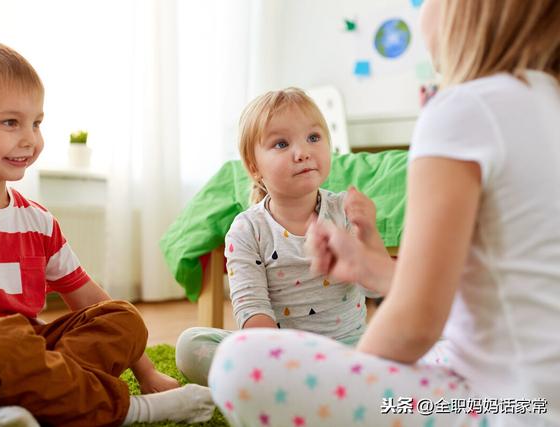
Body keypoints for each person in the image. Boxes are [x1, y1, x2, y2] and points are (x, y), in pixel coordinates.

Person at [208, 1, 560, 426]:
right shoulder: (546, 100)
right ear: (255, 166)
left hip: (503, 408)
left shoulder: (462, 110)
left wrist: (354, 376)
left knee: (237, 364)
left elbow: (414, 324)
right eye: (281, 145)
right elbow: (465, 297)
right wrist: (371, 267)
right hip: (537, 394)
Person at [0, 40, 214, 427]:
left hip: (25, 352)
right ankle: (129, 411)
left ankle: (8, 411)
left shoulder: (37, 220)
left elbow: (88, 299)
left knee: (122, 318)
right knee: (0, 341)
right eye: (11, 122)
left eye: (36, 122)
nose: (30, 138)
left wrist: (146, 372)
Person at [175, 87, 396, 386]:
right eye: (281, 143)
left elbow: (376, 289)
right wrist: (280, 360)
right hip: (281, 358)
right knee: (191, 346)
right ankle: (298, 388)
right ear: (254, 167)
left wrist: (368, 234)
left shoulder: (344, 210)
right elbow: (252, 310)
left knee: (409, 349)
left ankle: (295, 393)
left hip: (349, 355)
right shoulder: (246, 230)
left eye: (314, 138)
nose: (302, 152)